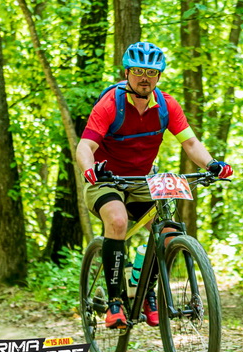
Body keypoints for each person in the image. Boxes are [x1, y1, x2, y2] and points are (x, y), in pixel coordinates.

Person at [76, 42, 233, 329]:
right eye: (138, 71)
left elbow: (190, 143)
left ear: (159, 75)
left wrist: (212, 164)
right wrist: (90, 170)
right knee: (117, 221)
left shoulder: (167, 105)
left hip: (142, 179)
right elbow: (85, 146)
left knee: (168, 232)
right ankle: (115, 303)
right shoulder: (110, 104)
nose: (144, 78)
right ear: (127, 73)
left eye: (151, 72)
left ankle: (145, 289)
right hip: (106, 178)